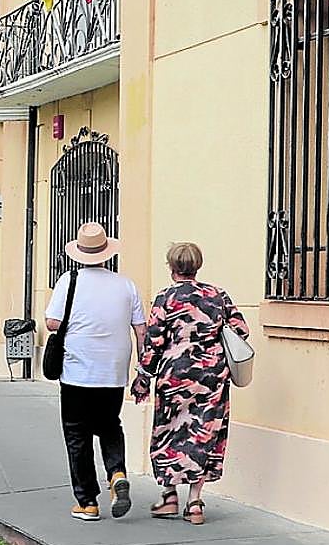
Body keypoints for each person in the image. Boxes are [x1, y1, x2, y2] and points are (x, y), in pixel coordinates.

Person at [131, 242, 249, 525]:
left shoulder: (165, 298)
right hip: (212, 376)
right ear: (198, 265)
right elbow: (242, 330)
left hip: (175, 374)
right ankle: (194, 502)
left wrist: (143, 378)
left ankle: (169, 496)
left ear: (172, 268)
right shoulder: (217, 295)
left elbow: (153, 342)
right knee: (204, 432)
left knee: (168, 432)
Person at [46, 222, 146, 522]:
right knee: (109, 425)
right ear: (106, 253)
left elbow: (52, 322)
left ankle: (87, 502)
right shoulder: (126, 284)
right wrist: (143, 370)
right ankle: (117, 473)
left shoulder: (69, 280)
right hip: (114, 371)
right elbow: (141, 330)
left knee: (77, 434)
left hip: (77, 370)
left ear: (80, 253)